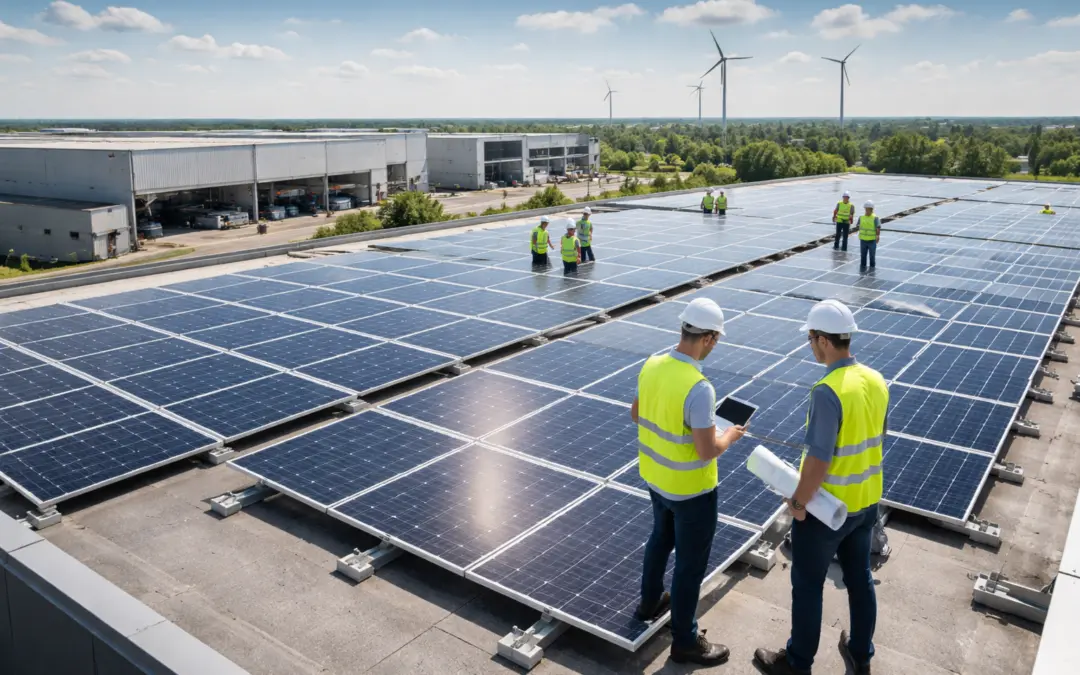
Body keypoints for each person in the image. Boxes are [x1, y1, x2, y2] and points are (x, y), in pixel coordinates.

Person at [754, 299, 888, 675]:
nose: (809, 346)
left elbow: (818, 461)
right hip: (866, 504)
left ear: (824, 341)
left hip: (827, 511)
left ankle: (797, 663)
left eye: (810, 339)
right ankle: (861, 653)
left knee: (809, 586)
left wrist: (798, 502)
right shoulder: (875, 380)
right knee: (859, 579)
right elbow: (876, 438)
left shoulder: (827, 391)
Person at [632, 298, 747, 666]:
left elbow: (636, 412)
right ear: (710, 338)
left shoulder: (652, 365)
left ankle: (649, 603)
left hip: (655, 479)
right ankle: (685, 641)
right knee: (689, 566)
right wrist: (729, 436)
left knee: (659, 539)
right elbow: (705, 450)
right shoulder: (699, 387)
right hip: (691, 492)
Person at [858, 201, 880, 271]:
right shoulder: (861, 217)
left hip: (872, 240)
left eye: (868, 209)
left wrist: (877, 236)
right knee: (863, 256)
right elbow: (858, 226)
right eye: (866, 209)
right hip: (863, 240)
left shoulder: (875, 218)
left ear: (872, 210)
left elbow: (878, 227)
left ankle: (872, 270)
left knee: (872, 256)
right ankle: (862, 270)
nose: (867, 211)